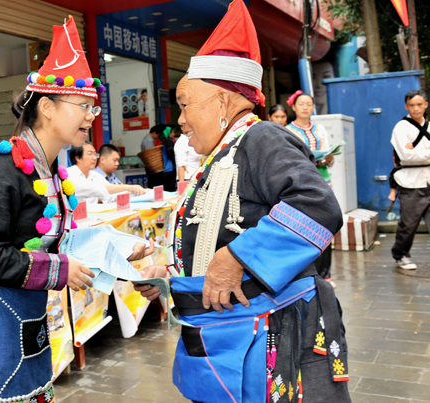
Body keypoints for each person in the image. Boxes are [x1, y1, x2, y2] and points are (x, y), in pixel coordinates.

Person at [0, 17, 153, 403]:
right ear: (46, 106)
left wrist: (114, 256)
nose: (91, 116)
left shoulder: (50, 171)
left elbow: (49, 243)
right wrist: (60, 269)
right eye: (83, 106)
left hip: (26, 314)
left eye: (93, 108)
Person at [133, 1, 349, 401]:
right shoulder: (221, 153)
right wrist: (169, 275)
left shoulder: (261, 137)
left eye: (185, 104)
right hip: (227, 333)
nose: (179, 120)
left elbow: (317, 206)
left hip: (268, 335)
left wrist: (237, 258)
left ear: (222, 101)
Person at [286, 90, 336, 287]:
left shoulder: (320, 129)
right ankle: (307, 275)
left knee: (326, 224)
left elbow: (328, 155)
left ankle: (325, 275)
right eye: (301, 104)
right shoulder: (289, 131)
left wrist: (329, 158)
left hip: (322, 179)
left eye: (309, 104)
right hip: (302, 182)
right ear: (293, 107)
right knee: (304, 227)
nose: (305, 107)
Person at [390, 89, 430, 270]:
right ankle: (401, 254)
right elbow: (406, 157)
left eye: (419, 104)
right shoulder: (401, 128)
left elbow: (414, 155)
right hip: (410, 182)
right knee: (408, 224)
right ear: (406, 106)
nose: (416, 108)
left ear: (426, 105)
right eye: (412, 105)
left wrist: (417, 151)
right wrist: (419, 154)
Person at [148, 125, 176, 191]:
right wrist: (177, 162)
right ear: (168, 133)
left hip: (165, 169)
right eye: (172, 132)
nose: (174, 134)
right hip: (169, 169)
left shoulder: (164, 142)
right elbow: (170, 154)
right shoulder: (169, 141)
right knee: (170, 189)